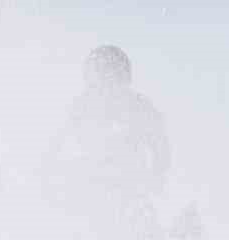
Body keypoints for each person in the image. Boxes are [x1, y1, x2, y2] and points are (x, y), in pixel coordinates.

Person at [53, 46, 170, 200]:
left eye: (110, 75)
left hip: (130, 184)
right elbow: (57, 142)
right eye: (102, 74)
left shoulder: (139, 107)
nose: (106, 82)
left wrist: (156, 177)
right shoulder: (81, 105)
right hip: (90, 181)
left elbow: (160, 147)